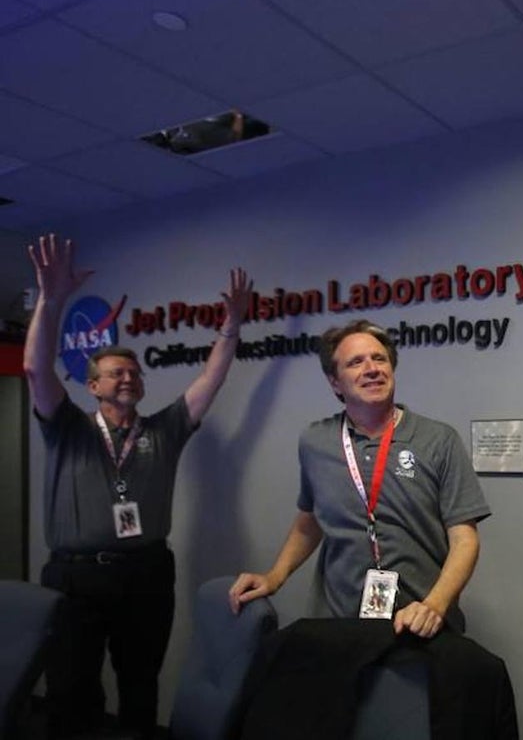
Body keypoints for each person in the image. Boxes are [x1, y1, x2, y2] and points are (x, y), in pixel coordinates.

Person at [24, 234, 251, 739]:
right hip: (75, 577)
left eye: (133, 372)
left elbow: (210, 381)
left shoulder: (164, 431)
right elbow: (35, 367)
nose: (126, 378)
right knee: (71, 688)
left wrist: (231, 327)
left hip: (146, 574)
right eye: (114, 373)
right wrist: (50, 298)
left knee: (141, 685)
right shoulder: (67, 426)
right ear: (93, 385)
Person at [228, 319, 490, 640]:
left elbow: (465, 540)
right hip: (340, 621)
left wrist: (434, 606)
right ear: (335, 382)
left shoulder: (438, 440)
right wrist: (275, 576)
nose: (371, 369)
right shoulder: (316, 441)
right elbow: (310, 520)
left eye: (379, 359)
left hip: (421, 622)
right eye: (355, 362)